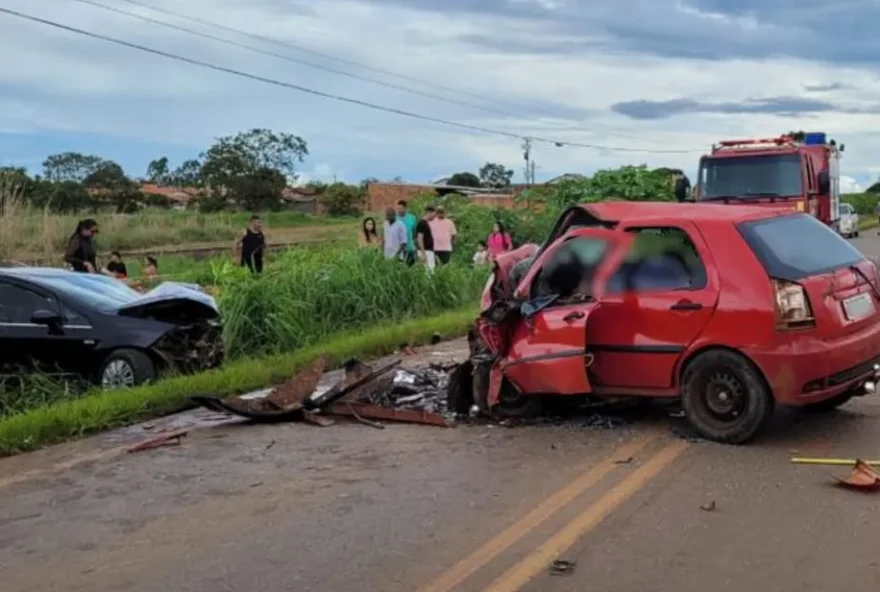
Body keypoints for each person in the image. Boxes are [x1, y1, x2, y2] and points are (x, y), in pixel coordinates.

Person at [395, 200, 418, 265]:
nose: (399, 210)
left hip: (410, 248)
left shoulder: (412, 218)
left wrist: (415, 247)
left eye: (401, 208)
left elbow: (414, 233)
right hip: (398, 250)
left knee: (410, 268)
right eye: (398, 208)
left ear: (405, 208)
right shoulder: (394, 218)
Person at [415, 205, 437, 270]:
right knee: (428, 271)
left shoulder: (425, 223)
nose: (434, 216)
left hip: (428, 251)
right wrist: (423, 253)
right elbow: (419, 238)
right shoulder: (422, 224)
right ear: (429, 212)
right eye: (434, 214)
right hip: (426, 252)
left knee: (430, 270)